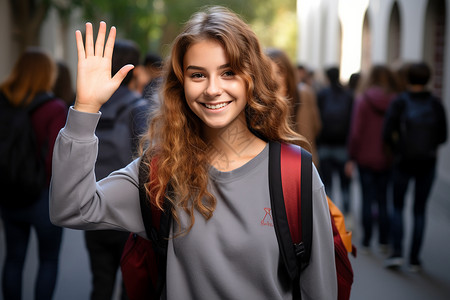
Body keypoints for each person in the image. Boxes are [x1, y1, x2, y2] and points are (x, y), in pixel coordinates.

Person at [50, 6, 337, 299]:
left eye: (228, 72)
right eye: (198, 75)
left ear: (252, 78)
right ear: (181, 85)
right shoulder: (160, 170)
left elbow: (320, 290)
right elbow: (70, 208)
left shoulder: (294, 173)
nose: (213, 89)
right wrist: (85, 108)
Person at [83, 38, 150, 300]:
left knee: (100, 281)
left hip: (92, 201)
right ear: (134, 69)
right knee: (130, 284)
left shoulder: (91, 105)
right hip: (127, 207)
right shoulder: (139, 108)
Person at [0, 48, 67, 300]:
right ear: (47, 74)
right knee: (48, 259)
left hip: (8, 191)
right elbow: (55, 159)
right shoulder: (54, 107)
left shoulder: (3, 101)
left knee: (13, 258)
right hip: (41, 196)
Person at [383, 62, 447, 271]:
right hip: (427, 162)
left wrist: (398, 148)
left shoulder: (400, 102)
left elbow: (387, 132)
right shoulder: (436, 104)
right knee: (419, 210)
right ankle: (415, 259)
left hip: (403, 161)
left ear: (408, 78)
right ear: (428, 79)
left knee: (398, 206)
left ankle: (397, 253)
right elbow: (443, 136)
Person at [348, 65, 399, 253]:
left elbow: (355, 133)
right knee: (384, 199)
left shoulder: (363, 100)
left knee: (367, 199)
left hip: (365, 158)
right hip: (387, 158)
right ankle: (384, 240)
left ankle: (368, 240)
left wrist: (352, 156)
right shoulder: (394, 100)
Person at [266, 48, 321, 166]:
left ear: (288, 74)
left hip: (301, 166)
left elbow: (313, 129)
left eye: (279, 72)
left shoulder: (303, 94)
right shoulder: (261, 103)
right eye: (267, 72)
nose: (273, 79)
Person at [316, 66, 354, 215]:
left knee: (327, 183)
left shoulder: (322, 94)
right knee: (345, 184)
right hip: (342, 146)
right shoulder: (348, 95)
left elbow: (317, 120)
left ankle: (329, 215)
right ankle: (347, 213)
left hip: (325, 144)